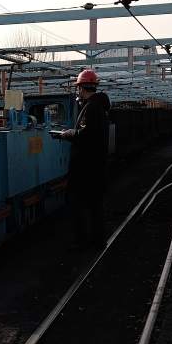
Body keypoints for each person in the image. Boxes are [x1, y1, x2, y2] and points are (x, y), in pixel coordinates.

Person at [57, 68, 110, 249]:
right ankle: (97, 240)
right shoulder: (99, 107)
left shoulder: (92, 108)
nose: (77, 91)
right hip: (96, 167)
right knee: (95, 206)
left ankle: (83, 242)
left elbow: (87, 135)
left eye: (78, 88)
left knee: (78, 205)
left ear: (82, 88)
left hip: (86, 169)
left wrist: (71, 134)